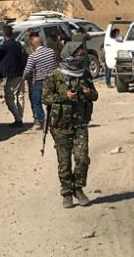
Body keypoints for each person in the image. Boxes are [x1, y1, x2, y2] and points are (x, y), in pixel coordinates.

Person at [43, 42, 99, 209]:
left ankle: (78, 188)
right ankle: (67, 192)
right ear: (69, 54)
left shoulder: (85, 74)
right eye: (77, 53)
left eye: (82, 53)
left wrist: (90, 93)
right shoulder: (55, 75)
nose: (81, 55)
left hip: (80, 124)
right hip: (61, 126)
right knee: (64, 162)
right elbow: (45, 98)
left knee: (82, 159)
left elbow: (95, 96)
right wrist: (64, 95)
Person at [0, 25, 27, 128]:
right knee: (20, 96)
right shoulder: (18, 44)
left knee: (9, 97)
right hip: (20, 73)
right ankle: (19, 118)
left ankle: (18, 119)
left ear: (4, 34)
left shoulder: (6, 45)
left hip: (13, 75)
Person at [22, 31, 57, 130]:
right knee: (52, 101)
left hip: (40, 81)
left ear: (32, 44)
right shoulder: (51, 51)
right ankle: (53, 119)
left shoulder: (33, 56)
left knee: (36, 102)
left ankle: (43, 121)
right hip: (52, 80)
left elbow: (28, 70)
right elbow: (55, 64)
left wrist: (23, 78)